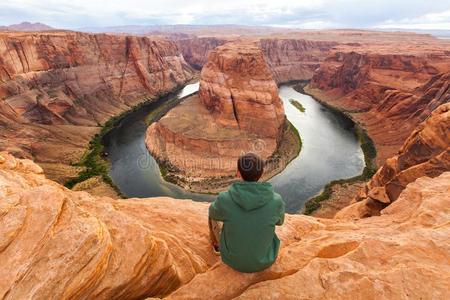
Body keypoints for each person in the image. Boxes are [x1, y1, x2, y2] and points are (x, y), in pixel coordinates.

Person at [209, 152, 285, 273]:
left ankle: (217, 247)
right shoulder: (276, 200)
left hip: (232, 260)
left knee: (212, 214)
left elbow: (213, 213)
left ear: (238, 173)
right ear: (261, 173)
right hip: (265, 260)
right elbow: (280, 222)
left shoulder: (224, 199)